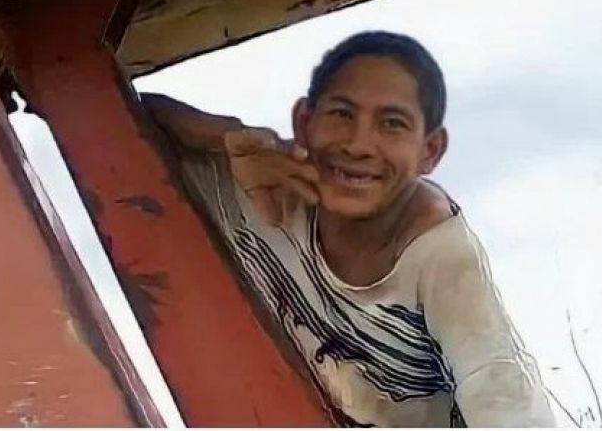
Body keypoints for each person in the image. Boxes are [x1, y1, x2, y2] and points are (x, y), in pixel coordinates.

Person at [143, 31, 555, 427]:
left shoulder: (438, 252)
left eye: (392, 124)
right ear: (304, 122)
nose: (359, 145)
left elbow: (497, 385)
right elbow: (131, 111)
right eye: (342, 114)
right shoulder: (259, 185)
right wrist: (226, 136)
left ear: (430, 151)